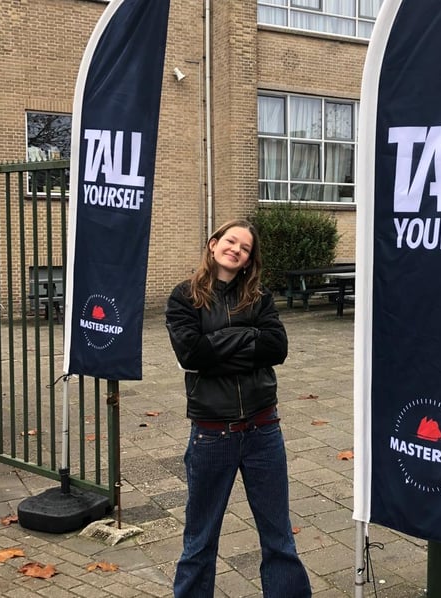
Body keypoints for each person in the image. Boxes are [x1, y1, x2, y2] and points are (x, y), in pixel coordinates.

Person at [166, 219, 312, 598]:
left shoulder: (259, 298)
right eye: (231, 241)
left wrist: (218, 345)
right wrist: (248, 338)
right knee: (199, 541)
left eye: (245, 248)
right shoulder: (184, 297)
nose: (236, 249)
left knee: (279, 538)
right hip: (213, 435)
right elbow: (191, 354)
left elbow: (276, 348)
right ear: (213, 245)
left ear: (248, 261)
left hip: (264, 430)